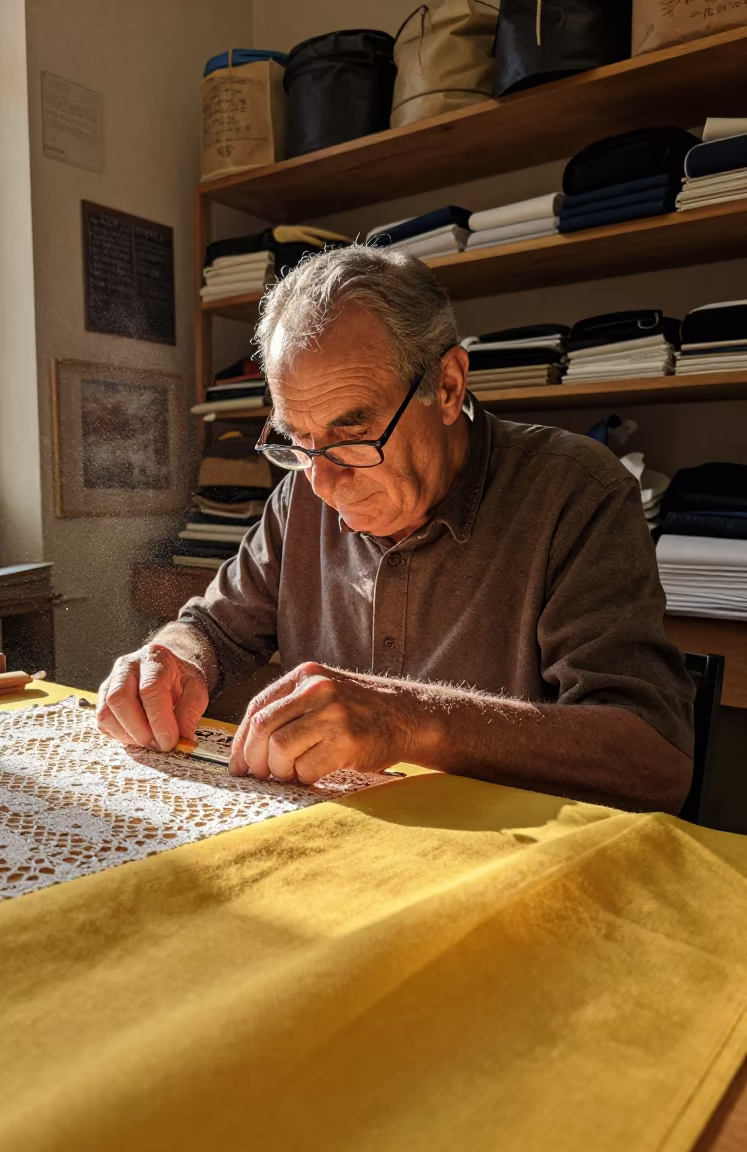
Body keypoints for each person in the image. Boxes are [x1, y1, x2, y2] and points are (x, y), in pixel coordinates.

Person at [98, 245, 693, 813]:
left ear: (449, 386)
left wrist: (407, 719)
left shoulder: (575, 492)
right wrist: (171, 658)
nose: (323, 485)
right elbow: (212, 629)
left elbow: (653, 761)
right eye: (298, 443)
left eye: (354, 436)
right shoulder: (299, 499)